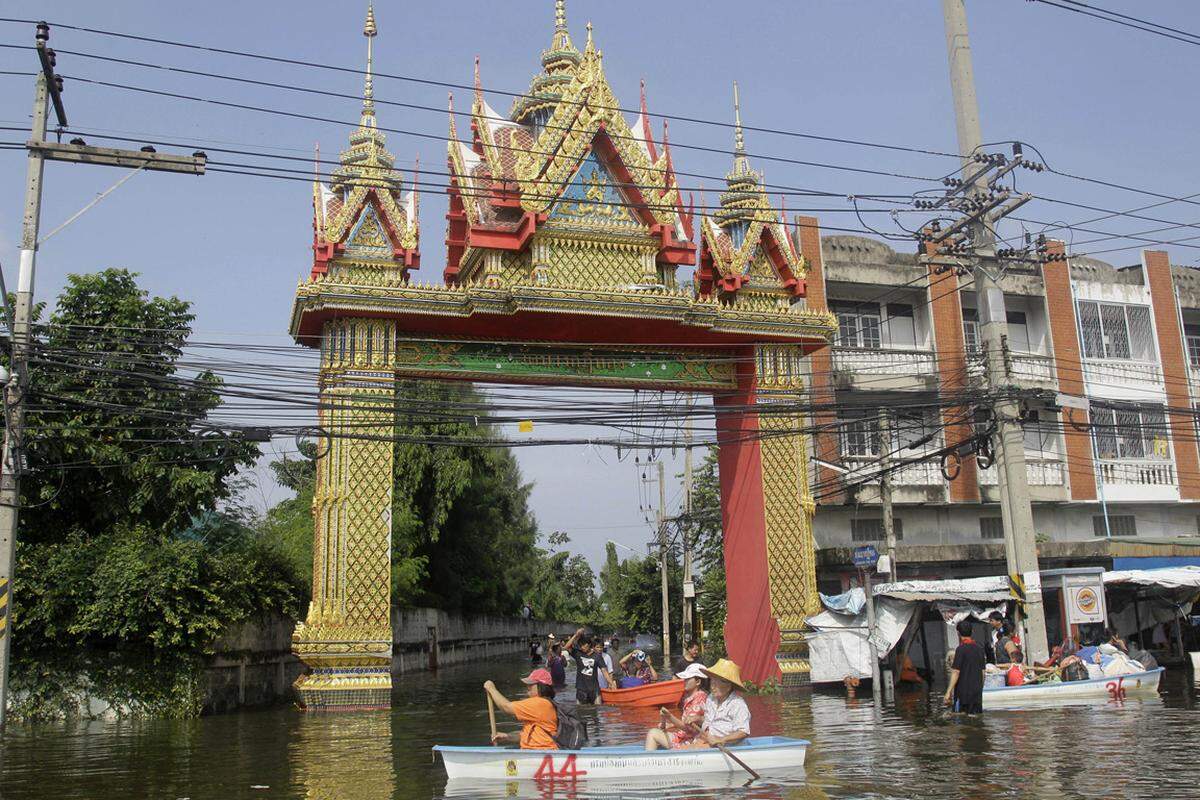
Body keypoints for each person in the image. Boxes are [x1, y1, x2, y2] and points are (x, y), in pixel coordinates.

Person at [483, 669, 557, 750]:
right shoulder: (546, 704)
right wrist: (507, 737)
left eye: (531, 684)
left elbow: (506, 707)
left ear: (541, 686)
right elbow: (525, 735)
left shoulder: (539, 704)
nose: (528, 687)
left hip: (542, 752)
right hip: (538, 752)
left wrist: (491, 689)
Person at [688, 659, 751, 749]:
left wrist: (721, 739)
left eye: (717, 682)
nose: (712, 685)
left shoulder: (738, 704)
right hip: (705, 740)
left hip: (726, 746)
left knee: (690, 749)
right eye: (712, 680)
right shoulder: (711, 698)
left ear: (729, 686)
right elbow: (709, 719)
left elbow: (743, 732)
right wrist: (697, 718)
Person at [645, 662, 709, 750]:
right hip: (684, 737)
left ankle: (649, 762)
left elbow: (689, 728)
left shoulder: (700, 698)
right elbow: (687, 722)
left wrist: (669, 716)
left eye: (687, 679)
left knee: (652, 733)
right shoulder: (691, 697)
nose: (684, 681)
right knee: (656, 733)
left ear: (698, 682)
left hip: (690, 741)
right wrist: (671, 724)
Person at [944, 618, 986, 714]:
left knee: (963, 717)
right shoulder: (980, 649)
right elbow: (983, 672)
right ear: (972, 631)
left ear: (958, 633)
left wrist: (948, 692)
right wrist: (980, 688)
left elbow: (956, 672)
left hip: (963, 692)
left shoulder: (960, 649)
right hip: (977, 692)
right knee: (976, 717)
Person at [564, 628, 610, 705]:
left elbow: (604, 671)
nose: (582, 647)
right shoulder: (577, 654)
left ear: (589, 645)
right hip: (581, 689)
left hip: (594, 689)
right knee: (580, 711)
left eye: (583, 645)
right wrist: (576, 635)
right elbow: (566, 647)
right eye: (580, 645)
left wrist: (611, 683)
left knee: (598, 710)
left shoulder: (597, 656)